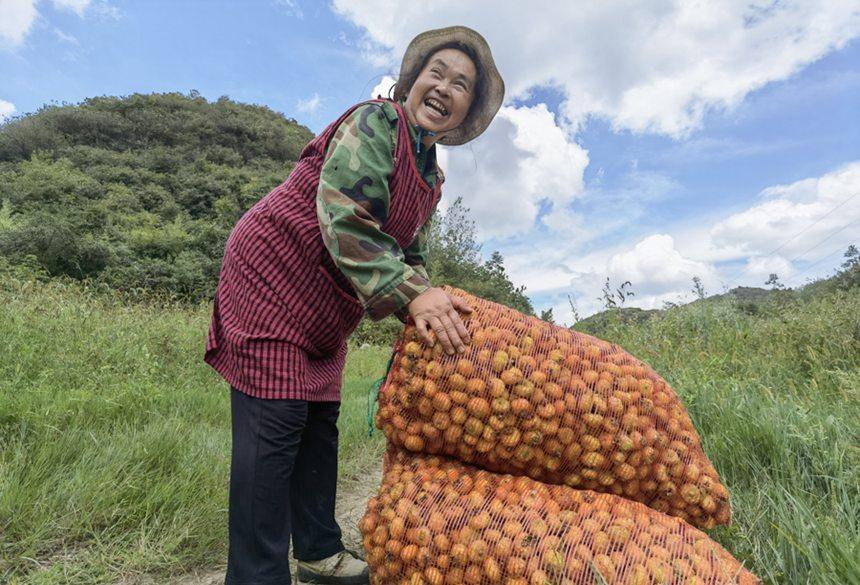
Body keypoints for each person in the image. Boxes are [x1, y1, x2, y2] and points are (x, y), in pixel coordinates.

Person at [204, 25, 504, 585]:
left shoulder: (431, 176)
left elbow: (410, 251)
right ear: (412, 82)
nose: (443, 86)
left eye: (460, 84)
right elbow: (344, 215)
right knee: (277, 424)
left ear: (465, 114)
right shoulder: (375, 122)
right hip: (272, 274)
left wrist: (428, 305)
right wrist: (416, 296)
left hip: (324, 303)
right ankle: (255, 574)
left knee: (319, 424)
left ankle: (317, 554)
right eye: (435, 72)